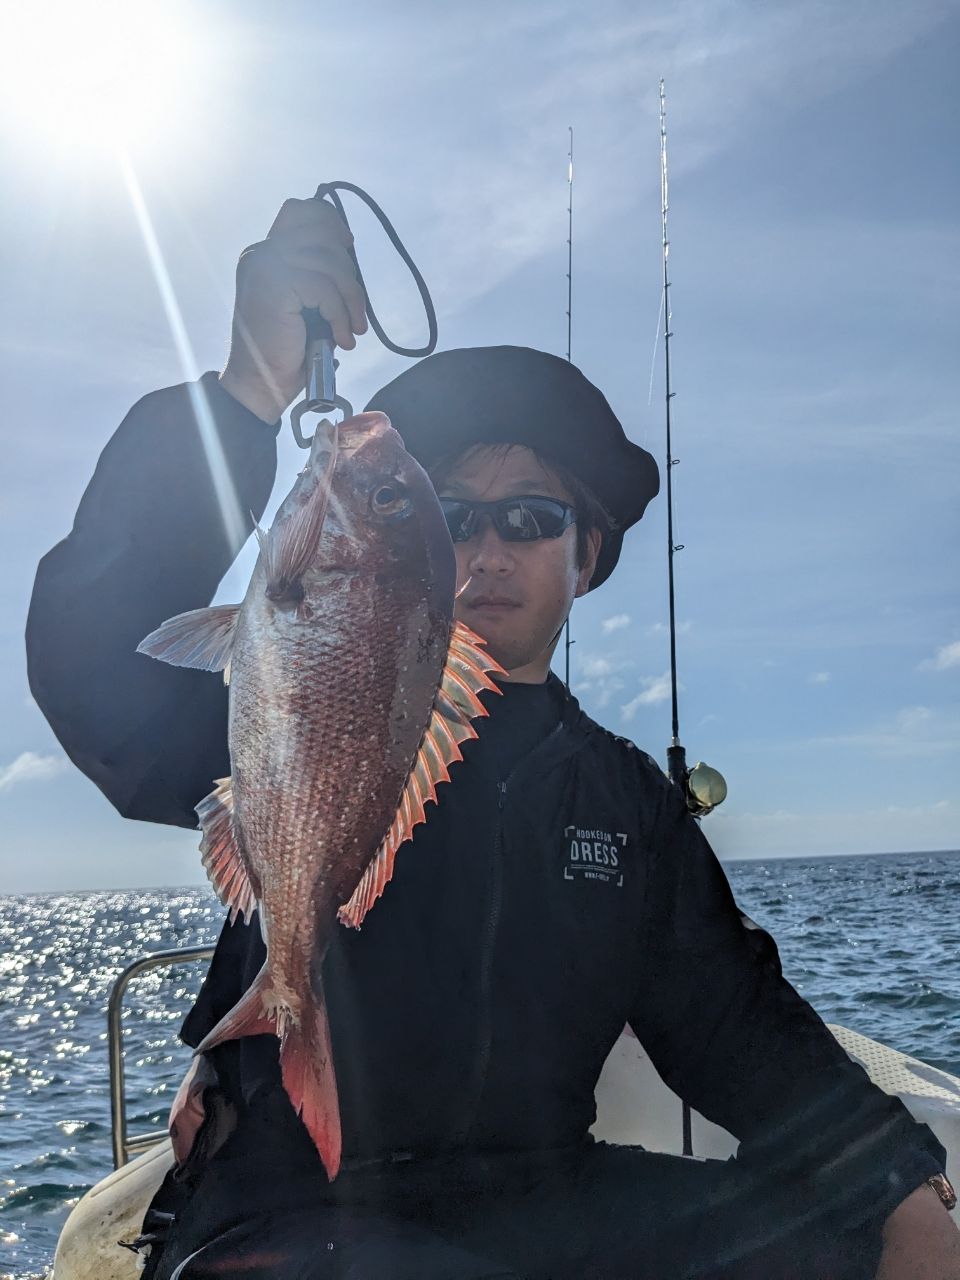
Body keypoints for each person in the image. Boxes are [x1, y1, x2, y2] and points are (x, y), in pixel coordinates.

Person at [26, 197, 959, 1279]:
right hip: (285, 1202)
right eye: (453, 512)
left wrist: (899, 1180)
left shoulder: (625, 804)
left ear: (588, 556)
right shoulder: (294, 684)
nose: (488, 548)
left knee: (843, 1241)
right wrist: (247, 396)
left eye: (533, 518)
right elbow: (96, 669)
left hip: (548, 1197)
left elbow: (737, 1021)